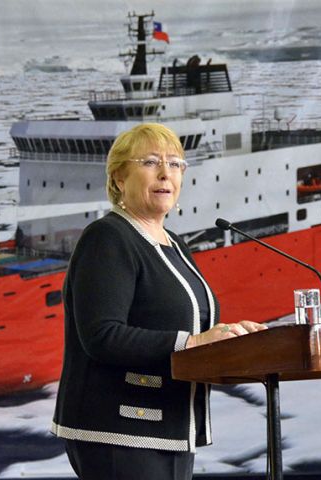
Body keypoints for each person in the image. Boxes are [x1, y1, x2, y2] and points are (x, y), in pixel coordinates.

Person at [51, 123, 266, 479]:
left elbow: (185, 326)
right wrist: (193, 343)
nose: (167, 173)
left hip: (169, 427)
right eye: (151, 162)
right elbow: (101, 335)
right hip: (120, 430)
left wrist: (228, 337)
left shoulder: (175, 243)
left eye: (176, 163)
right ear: (120, 178)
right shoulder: (108, 237)